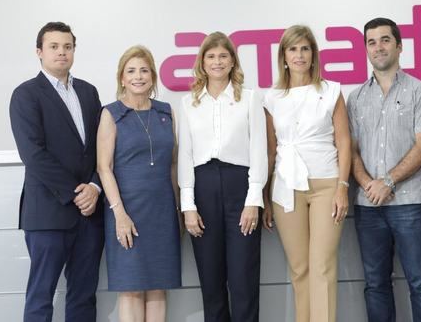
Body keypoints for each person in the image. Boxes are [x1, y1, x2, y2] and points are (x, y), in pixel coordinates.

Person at [9, 21, 104, 321]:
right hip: (48, 212)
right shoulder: (26, 94)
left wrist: (95, 186)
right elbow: (34, 155)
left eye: (67, 47)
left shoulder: (89, 93)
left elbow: (102, 150)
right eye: (54, 46)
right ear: (39, 52)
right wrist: (77, 193)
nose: (61, 52)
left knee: (84, 296)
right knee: (41, 296)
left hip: (90, 214)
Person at [347, 17, 421, 322]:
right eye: (371, 42)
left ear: (399, 46)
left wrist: (388, 181)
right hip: (368, 205)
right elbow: (352, 150)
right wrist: (367, 183)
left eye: (385, 40)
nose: (378, 47)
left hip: (410, 203)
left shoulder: (420, 91)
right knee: (375, 285)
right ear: (365, 50)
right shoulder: (356, 98)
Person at [262, 24, 351, 322]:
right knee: (300, 268)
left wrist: (342, 187)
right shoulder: (271, 98)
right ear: (283, 56)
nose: (299, 55)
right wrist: (265, 196)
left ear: (313, 55)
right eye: (292, 49)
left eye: (305, 48)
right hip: (286, 188)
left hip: (326, 184)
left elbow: (343, 141)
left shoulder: (331, 91)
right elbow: (270, 151)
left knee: (322, 265)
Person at [177, 32, 267, 322]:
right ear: (202, 62)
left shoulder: (250, 99)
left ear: (232, 62)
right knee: (211, 281)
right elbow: (185, 157)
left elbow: (258, 152)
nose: (217, 62)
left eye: (223, 56)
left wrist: (254, 200)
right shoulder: (188, 103)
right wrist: (188, 206)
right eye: (211, 56)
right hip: (202, 189)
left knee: (243, 279)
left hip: (240, 187)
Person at [97, 45, 181, 321]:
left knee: (158, 287)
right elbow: (104, 168)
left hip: (162, 211)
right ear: (122, 78)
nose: (138, 76)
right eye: (131, 71)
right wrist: (119, 214)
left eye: (144, 70)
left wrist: (178, 210)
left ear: (153, 77)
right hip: (127, 211)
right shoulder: (111, 114)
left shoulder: (166, 112)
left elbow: (172, 165)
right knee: (131, 288)